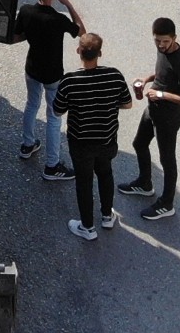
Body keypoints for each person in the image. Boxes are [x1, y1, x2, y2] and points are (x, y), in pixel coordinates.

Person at [119, 18, 180, 221]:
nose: (161, 45)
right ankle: (145, 184)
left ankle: (167, 203)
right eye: (157, 41)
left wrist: (162, 95)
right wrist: (146, 80)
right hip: (153, 108)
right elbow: (163, 72)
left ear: (174, 38)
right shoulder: (163, 51)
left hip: (168, 117)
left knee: (167, 160)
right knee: (139, 143)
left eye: (165, 41)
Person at [54, 32, 132, 240]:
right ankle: (107, 216)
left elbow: (57, 111)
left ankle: (87, 227)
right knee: (105, 174)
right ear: (100, 53)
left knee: (84, 181)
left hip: (80, 143)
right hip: (107, 139)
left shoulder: (69, 81)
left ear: (79, 51)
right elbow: (127, 103)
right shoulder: (114, 75)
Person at [12, 0, 86, 180]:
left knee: (31, 104)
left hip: (32, 69)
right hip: (53, 74)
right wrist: (68, 5)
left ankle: (27, 145)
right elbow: (82, 32)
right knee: (54, 118)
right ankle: (52, 166)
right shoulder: (58, 19)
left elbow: (16, 37)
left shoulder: (25, 11)